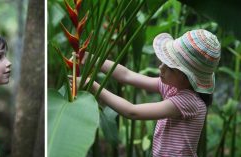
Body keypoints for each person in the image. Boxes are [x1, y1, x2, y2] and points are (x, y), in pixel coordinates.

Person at [78, 29, 221, 156]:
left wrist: (93, 86)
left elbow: (132, 111)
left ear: (187, 77)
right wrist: (92, 60)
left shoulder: (188, 101)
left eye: (169, 67)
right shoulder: (174, 86)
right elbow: (127, 75)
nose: (161, 68)